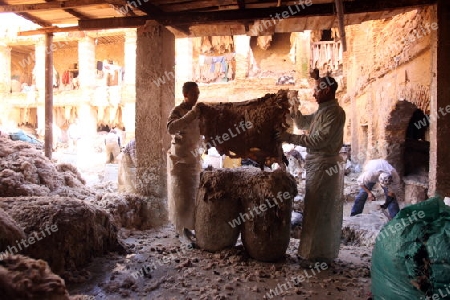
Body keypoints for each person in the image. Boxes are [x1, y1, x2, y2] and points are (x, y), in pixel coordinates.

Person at [276, 75, 346, 267]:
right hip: (317, 165)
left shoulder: (334, 113)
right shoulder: (322, 111)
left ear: (326, 91)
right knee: (314, 207)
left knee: (321, 210)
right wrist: (294, 110)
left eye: (316, 90)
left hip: (325, 166)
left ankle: (319, 255)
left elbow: (318, 140)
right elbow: (304, 124)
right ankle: (309, 253)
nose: (314, 93)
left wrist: (288, 138)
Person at [167, 82, 203, 245]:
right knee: (182, 198)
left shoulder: (198, 112)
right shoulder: (178, 111)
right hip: (180, 163)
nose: (197, 95)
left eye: (198, 93)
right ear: (186, 95)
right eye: (194, 93)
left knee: (192, 197)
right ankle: (181, 230)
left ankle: (190, 228)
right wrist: (191, 115)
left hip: (194, 160)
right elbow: (171, 128)